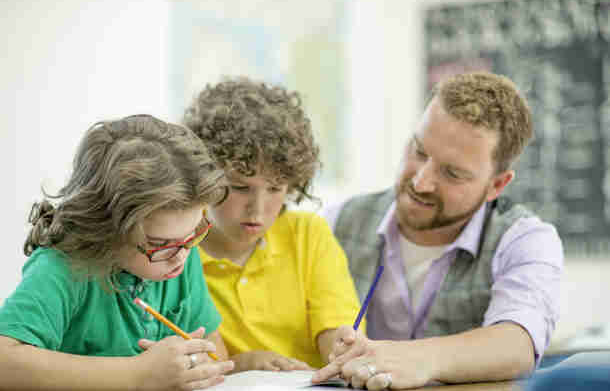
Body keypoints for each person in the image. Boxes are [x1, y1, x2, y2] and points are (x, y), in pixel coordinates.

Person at [312, 71, 564, 390]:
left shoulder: (525, 240)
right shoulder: (336, 223)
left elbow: (517, 344)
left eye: (452, 173)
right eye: (419, 151)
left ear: (496, 185)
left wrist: (417, 360)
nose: (421, 181)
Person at [0, 115, 235, 391]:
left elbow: (215, 348)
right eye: (161, 243)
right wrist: (137, 374)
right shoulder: (63, 268)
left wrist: (190, 366)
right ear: (105, 228)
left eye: (194, 233)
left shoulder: (181, 252)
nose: (181, 255)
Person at [182, 77, 363, 372]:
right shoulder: (174, 253)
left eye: (276, 188)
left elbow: (334, 329)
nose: (258, 209)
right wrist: (241, 364)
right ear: (202, 176)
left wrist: (343, 348)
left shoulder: (307, 234)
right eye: (240, 187)